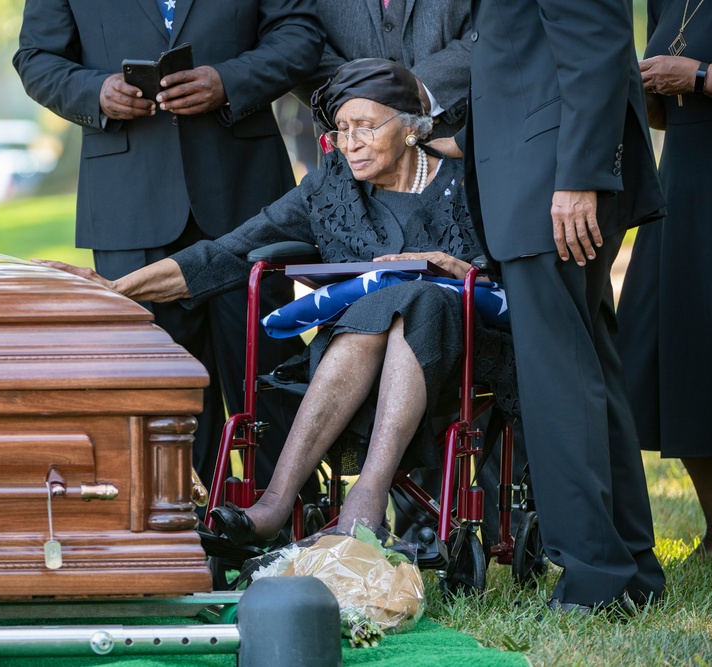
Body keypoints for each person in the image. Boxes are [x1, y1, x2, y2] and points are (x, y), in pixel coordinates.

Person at [38, 59, 515, 542]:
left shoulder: (466, 183)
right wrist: (115, 288)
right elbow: (226, 253)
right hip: (355, 358)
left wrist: (464, 269)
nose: (350, 143)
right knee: (390, 299)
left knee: (418, 298)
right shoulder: (330, 189)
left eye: (366, 127)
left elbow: (517, 272)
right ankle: (273, 505)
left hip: (463, 355)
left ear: (412, 128)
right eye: (342, 129)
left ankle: (365, 494)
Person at [12, 0, 324, 489]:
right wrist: (95, 92)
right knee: (162, 402)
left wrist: (228, 81)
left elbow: (300, 35)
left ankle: (285, 539)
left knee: (269, 386)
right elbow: (36, 57)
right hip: (129, 210)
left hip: (246, 199)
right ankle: (181, 545)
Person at [453, 0, 667, 613]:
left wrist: (580, 174)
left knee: (559, 386)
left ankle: (595, 579)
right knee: (588, 372)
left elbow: (597, 40)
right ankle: (629, 574)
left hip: (551, 181)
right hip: (534, 173)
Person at [617, 0, 712, 561]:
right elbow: (665, 115)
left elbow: (691, 82)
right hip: (682, 189)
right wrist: (647, 89)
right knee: (680, 357)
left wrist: (698, 76)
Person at [292, 0, 473, 139]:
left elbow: (494, 27)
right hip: (353, 156)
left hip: (466, 145)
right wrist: (364, 103)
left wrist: (424, 89)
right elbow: (292, 40)